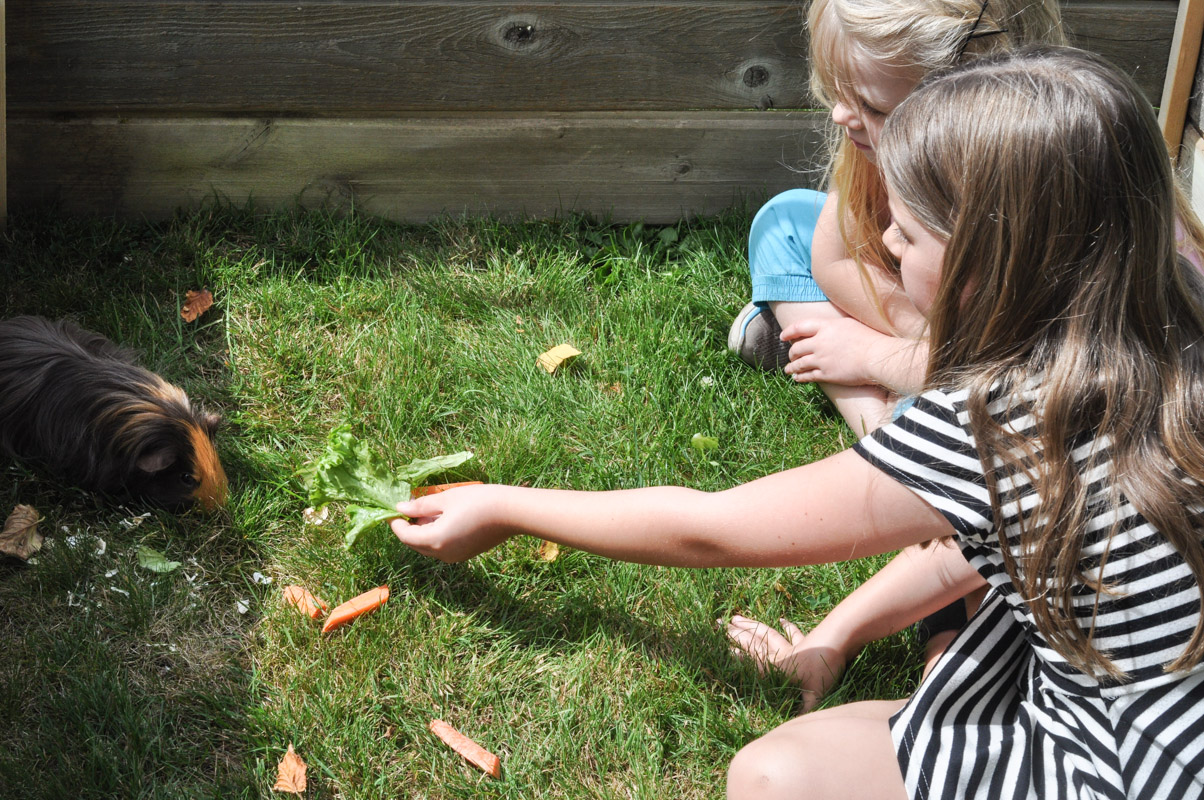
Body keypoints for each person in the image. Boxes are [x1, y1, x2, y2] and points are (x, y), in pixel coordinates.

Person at [392, 46, 1204, 799]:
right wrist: (837, 630)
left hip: (1118, 771)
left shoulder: (1004, 422)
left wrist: (502, 506)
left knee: (776, 776)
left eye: (908, 232)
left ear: (989, 262)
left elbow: (712, 529)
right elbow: (992, 547)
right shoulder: (1172, 341)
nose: (882, 238)